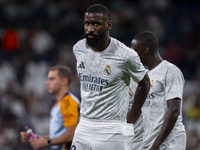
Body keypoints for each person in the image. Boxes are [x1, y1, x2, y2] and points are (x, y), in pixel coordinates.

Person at [71, 4, 150, 150]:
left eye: (96, 24)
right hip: (84, 125)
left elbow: (145, 83)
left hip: (111, 129)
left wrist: (131, 118)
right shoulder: (79, 48)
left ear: (109, 25)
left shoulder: (126, 55)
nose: (90, 29)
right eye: (87, 23)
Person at [131, 31, 187, 150]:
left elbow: (174, 110)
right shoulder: (143, 77)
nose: (132, 56)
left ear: (146, 50)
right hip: (150, 140)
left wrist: (157, 144)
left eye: (134, 51)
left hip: (169, 141)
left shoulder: (170, 71)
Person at [20, 65, 80, 150]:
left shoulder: (68, 102)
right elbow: (59, 137)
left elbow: (71, 135)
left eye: (52, 79)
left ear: (64, 81)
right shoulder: (58, 105)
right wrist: (38, 138)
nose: (47, 82)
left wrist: (46, 142)